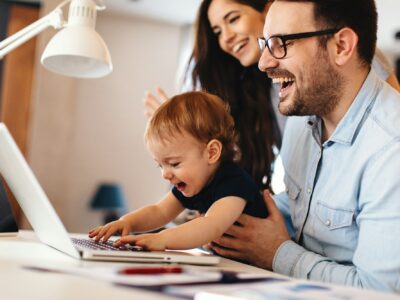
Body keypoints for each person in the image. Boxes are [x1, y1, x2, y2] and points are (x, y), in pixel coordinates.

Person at [209, 0, 400, 292]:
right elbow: (307, 209)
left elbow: (378, 291)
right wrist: (232, 219)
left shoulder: (391, 149)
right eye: (266, 43)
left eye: (281, 43)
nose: (264, 63)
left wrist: (277, 253)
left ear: (341, 46)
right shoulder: (302, 120)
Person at [143, 0, 400, 193]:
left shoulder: (344, 62)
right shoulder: (267, 89)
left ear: (266, 11)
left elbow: (390, 111)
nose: (226, 38)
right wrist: (182, 137)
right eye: (218, 32)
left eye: (233, 19)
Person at [89, 91, 267, 250]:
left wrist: (162, 239)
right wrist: (126, 222)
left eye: (174, 164)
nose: (165, 174)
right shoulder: (195, 181)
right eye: (160, 165)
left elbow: (211, 225)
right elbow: (160, 211)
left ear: (211, 152)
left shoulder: (234, 183)